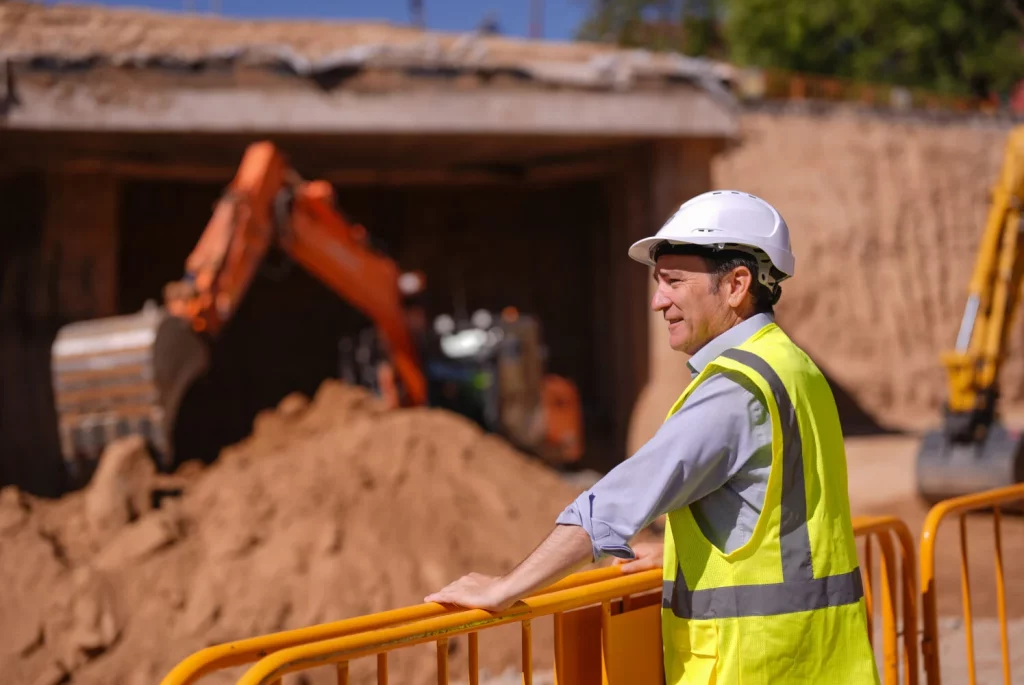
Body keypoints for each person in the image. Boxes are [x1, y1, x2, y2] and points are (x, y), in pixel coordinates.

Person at [425, 190, 879, 683]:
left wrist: (504, 589)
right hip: (823, 661)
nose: (658, 300)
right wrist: (683, 553)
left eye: (674, 282)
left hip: (753, 666)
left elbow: (614, 507)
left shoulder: (735, 388)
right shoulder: (791, 365)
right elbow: (783, 516)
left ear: (736, 285)